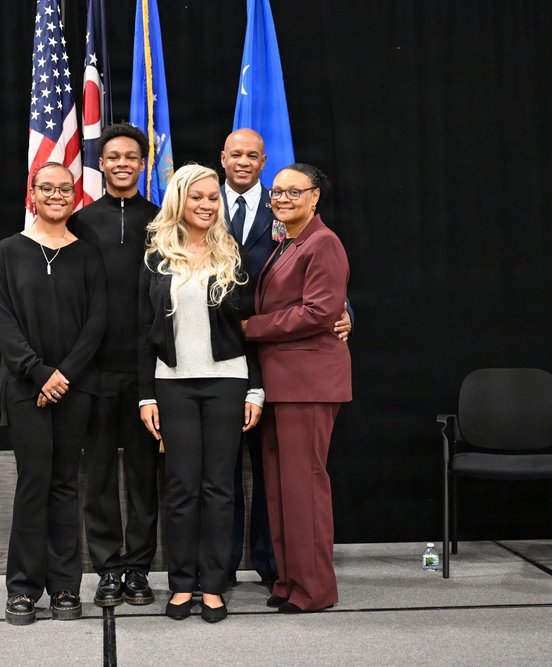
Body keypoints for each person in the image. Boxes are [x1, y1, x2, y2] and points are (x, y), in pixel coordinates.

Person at [219, 129, 352, 587]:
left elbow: (320, 310)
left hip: (307, 382)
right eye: (278, 192)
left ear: (315, 198)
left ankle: (314, 587)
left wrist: (249, 328)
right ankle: (289, 581)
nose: (282, 198)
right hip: (278, 382)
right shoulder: (288, 241)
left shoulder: (322, 241)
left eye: (294, 192)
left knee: (303, 488)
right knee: (280, 489)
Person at [138, 164, 263, 623]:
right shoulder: (155, 255)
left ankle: (212, 587)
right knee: (181, 487)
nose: (208, 205)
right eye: (198, 197)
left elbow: (251, 330)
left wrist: (256, 388)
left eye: (214, 198)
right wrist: (146, 396)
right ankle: (181, 584)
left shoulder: (232, 253)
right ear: (180, 200)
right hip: (172, 384)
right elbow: (142, 332)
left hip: (228, 382)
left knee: (219, 488)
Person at [0, 162, 107, 626]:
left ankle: (64, 587)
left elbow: (96, 323)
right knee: (33, 483)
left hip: (74, 389)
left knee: (64, 486)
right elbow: (3, 323)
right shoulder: (8, 252)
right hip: (24, 388)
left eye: (64, 188)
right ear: (32, 194)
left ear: (74, 195)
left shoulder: (89, 255)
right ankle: (22, 589)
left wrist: (63, 377)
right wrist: (39, 374)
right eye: (47, 188)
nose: (56, 195)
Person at [68, 123, 160, 607]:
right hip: (95, 372)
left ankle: (139, 568)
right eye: (113, 156)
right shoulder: (81, 222)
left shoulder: (163, 219)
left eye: (131, 156)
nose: (122, 163)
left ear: (143, 163)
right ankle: (107, 567)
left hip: (149, 373)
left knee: (145, 475)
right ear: (100, 164)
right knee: (100, 473)